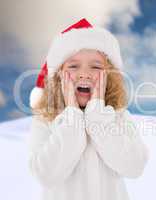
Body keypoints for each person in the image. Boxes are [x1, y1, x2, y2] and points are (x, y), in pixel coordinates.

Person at [26, 18, 149, 200]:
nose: (84, 73)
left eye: (96, 66)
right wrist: (73, 118)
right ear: (58, 77)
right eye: (74, 66)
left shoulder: (119, 117)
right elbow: (46, 175)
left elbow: (134, 166)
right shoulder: (45, 121)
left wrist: (97, 117)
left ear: (110, 77)